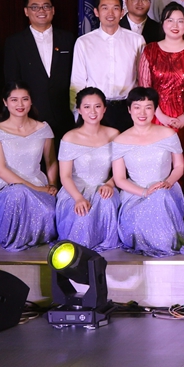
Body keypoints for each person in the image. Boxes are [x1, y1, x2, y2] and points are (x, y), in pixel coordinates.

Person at [112, 87, 184, 257]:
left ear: (155, 109)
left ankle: (165, 242)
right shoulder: (120, 140)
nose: (142, 113)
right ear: (129, 109)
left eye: (148, 107)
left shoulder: (168, 134)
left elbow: (179, 166)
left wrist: (168, 182)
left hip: (166, 190)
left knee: (160, 196)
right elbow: (119, 178)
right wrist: (144, 192)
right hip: (135, 194)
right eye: (137, 107)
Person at [0, 82, 58, 250]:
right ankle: (15, 239)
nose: (20, 104)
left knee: (50, 212)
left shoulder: (43, 128)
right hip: (6, 186)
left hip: (38, 181)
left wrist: (52, 184)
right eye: (14, 100)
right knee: (18, 193)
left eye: (25, 99)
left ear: (31, 101)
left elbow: (50, 160)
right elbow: (0, 170)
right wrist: (36, 189)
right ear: (5, 102)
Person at [5, 0, 76, 143]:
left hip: (65, 115)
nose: (41, 10)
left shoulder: (68, 38)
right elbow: (12, 82)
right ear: (26, 11)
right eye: (35, 7)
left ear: (53, 10)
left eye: (46, 6)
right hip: (31, 116)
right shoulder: (14, 43)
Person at [56, 88, 119, 252]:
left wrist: (110, 184)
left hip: (104, 186)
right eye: (87, 107)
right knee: (82, 214)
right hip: (75, 189)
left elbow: (119, 170)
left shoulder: (114, 135)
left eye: (97, 106)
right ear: (79, 110)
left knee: (107, 202)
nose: (93, 112)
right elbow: (65, 176)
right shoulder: (69, 137)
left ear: (104, 109)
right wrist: (78, 198)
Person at [71, 0, 146, 131]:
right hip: (96, 109)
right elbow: (78, 80)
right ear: (96, 12)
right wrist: (78, 114)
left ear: (122, 12)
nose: (110, 13)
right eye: (105, 8)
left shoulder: (136, 40)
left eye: (115, 8)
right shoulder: (84, 42)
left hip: (128, 107)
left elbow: (142, 78)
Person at [138, 2, 184, 139]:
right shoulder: (150, 50)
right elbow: (145, 87)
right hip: (155, 116)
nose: (175, 25)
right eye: (170, 20)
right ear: (162, 23)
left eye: (180, 21)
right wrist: (160, 116)